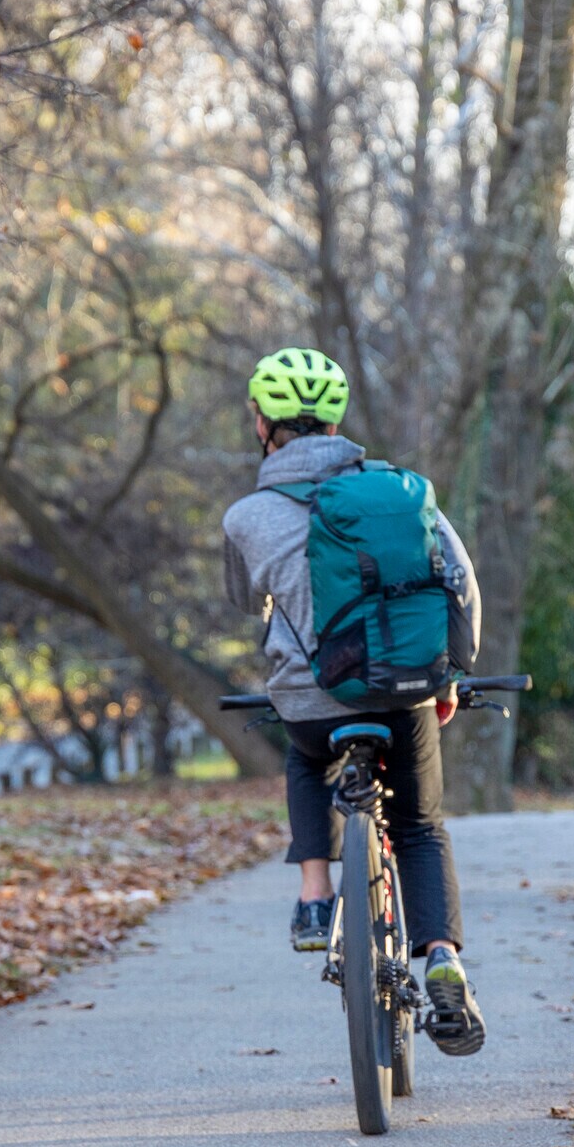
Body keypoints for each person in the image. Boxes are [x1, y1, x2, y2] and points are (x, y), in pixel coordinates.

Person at [220, 347, 487, 1057]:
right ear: (337, 418)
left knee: (305, 754)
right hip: (403, 695)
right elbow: (462, 584)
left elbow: (247, 600)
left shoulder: (248, 515)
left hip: (312, 704)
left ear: (262, 423)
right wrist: (451, 675)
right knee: (421, 826)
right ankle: (442, 957)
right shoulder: (399, 492)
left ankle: (314, 897)